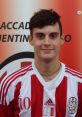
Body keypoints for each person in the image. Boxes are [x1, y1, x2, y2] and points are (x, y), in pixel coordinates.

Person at [0, 9, 82, 117]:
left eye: (53, 36)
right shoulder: (10, 84)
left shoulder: (79, 84)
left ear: (61, 39)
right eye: (40, 36)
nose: (47, 42)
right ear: (31, 40)